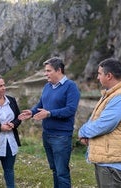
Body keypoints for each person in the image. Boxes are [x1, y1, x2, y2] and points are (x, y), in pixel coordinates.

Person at [18, 57, 80, 188]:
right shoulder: (47, 87)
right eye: (45, 71)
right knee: (54, 169)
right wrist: (31, 112)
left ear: (58, 70)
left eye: (48, 71)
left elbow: (70, 110)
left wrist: (50, 113)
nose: (45, 74)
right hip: (47, 135)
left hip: (61, 136)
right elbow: (41, 104)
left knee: (62, 172)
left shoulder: (71, 87)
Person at [78, 58, 121, 188]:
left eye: (100, 74)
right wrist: (86, 135)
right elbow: (96, 119)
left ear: (109, 75)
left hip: (112, 162)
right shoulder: (112, 94)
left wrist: (82, 132)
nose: (97, 77)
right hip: (107, 159)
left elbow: (103, 124)